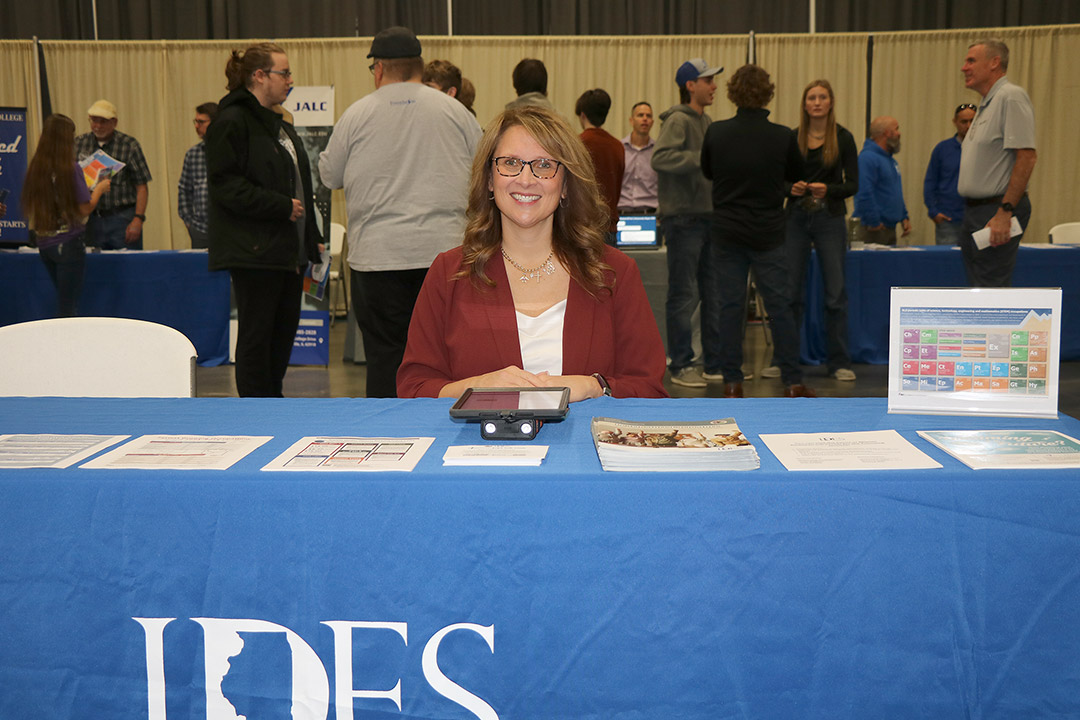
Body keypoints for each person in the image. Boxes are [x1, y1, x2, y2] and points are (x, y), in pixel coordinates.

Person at [397, 105, 667, 401]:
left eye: (543, 165)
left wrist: (594, 386)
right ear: (489, 179)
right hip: (478, 447)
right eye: (511, 162)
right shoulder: (449, 273)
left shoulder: (615, 273)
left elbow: (648, 388)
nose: (525, 179)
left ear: (565, 184)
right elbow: (414, 388)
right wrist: (476, 389)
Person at [319, 26, 482, 398]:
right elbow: (485, 169)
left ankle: (388, 437)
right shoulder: (454, 111)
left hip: (378, 259)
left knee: (385, 357)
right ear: (420, 68)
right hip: (444, 254)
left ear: (378, 68)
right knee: (447, 355)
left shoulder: (357, 114)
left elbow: (329, 175)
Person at [205, 42, 323, 397]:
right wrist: (278, 205)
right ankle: (256, 414)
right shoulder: (232, 121)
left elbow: (300, 186)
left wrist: (311, 236)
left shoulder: (277, 125)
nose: (290, 80)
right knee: (258, 338)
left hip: (287, 251)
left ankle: (273, 405)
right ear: (259, 76)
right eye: (283, 73)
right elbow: (225, 186)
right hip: (254, 251)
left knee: (281, 335)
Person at [699, 64, 815, 399]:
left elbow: (708, 171)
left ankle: (732, 381)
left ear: (733, 92)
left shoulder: (717, 132)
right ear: (768, 93)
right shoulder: (782, 136)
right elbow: (797, 173)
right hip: (767, 232)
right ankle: (792, 381)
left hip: (727, 232)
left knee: (730, 308)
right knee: (780, 306)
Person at [651, 57, 723, 389]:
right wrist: (702, 159)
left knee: (712, 291)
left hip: (707, 218)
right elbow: (661, 158)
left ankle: (712, 362)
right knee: (682, 294)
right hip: (683, 220)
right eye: (708, 80)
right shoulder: (678, 120)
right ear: (690, 85)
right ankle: (681, 364)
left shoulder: (705, 121)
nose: (714, 86)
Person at [781, 79, 859, 382]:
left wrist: (830, 189)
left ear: (830, 102)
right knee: (789, 293)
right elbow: (779, 182)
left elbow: (853, 184)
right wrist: (793, 188)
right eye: (811, 97)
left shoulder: (844, 138)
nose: (816, 102)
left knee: (835, 293)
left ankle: (839, 362)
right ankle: (785, 360)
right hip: (796, 217)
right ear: (804, 104)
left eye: (822, 97)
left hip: (830, 217)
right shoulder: (791, 138)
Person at [957, 38, 1036, 287]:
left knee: (990, 289)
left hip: (997, 210)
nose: (964, 67)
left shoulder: (1010, 97)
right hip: (976, 211)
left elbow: (1027, 156)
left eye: (971, 61)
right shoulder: (985, 104)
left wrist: (1005, 211)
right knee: (978, 286)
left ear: (994, 63)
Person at [22, 114, 111, 317]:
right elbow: (83, 210)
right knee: (68, 306)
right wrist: (99, 189)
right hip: (68, 242)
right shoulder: (70, 169)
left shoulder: (36, 168)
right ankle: (68, 345)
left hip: (45, 242)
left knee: (63, 300)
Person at [75, 99, 152, 250]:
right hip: (91, 218)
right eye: (94, 121)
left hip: (122, 218)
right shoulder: (79, 143)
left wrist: (138, 219)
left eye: (103, 122)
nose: (97, 126)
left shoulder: (129, 145)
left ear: (114, 122)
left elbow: (141, 186)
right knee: (95, 268)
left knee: (128, 266)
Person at [575, 88, 624, 242]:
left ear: (582, 115)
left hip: (584, 226)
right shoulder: (618, 146)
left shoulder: (577, 144)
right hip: (609, 227)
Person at [923, 103, 975, 246]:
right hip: (948, 220)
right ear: (955, 122)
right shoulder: (942, 149)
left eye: (972, 121)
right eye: (964, 122)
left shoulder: (986, 150)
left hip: (978, 220)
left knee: (978, 264)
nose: (968, 126)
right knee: (947, 263)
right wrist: (934, 212)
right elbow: (930, 182)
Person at [853, 116, 909, 245]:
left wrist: (904, 216)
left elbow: (895, 192)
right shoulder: (867, 158)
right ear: (887, 133)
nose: (899, 133)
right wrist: (874, 222)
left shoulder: (890, 160)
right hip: (873, 230)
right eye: (896, 129)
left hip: (888, 228)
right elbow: (863, 193)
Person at [177, 101, 218, 249]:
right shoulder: (192, 154)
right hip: (200, 230)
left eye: (201, 122)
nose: (196, 126)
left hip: (227, 229)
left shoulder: (231, 151)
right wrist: (189, 222)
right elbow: (184, 189)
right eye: (196, 121)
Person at [617, 101, 658, 214]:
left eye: (648, 116)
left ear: (652, 122)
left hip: (650, 214)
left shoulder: (658, 152)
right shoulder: (618, 149)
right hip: (621, 214)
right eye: (640, 115)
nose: (645, 119)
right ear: (631, 121)